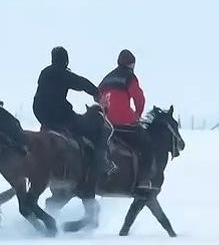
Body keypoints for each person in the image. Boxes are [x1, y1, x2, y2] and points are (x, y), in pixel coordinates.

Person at [32, 46, 109, 190]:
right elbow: (81, 82)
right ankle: (100, 163)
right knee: (94, 128)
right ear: (66, 61)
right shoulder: (62, 73)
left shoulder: (45, 72)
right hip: (59, 115)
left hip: (42, 115)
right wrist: (97, 94)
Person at [99, 49, 154, 186]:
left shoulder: (106, 78)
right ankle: (143, 180)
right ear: (131, 64)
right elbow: (139, 98)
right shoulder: (129, 77)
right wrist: (137, 115)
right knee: (147, 144)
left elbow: (98, 96)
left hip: (106, 123)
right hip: (124, 123)